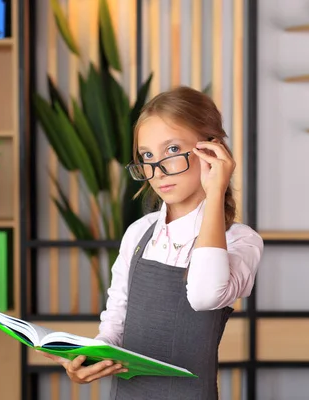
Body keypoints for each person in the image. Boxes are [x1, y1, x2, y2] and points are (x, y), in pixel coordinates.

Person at [42, 86, 263, 399]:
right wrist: (85, 363)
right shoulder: (139, 233)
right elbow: (115, 327)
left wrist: (216, 193)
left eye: (172, 150)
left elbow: (204, 296)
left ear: (211, 150)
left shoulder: (240, 241)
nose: (157, 170)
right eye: (147, 156)